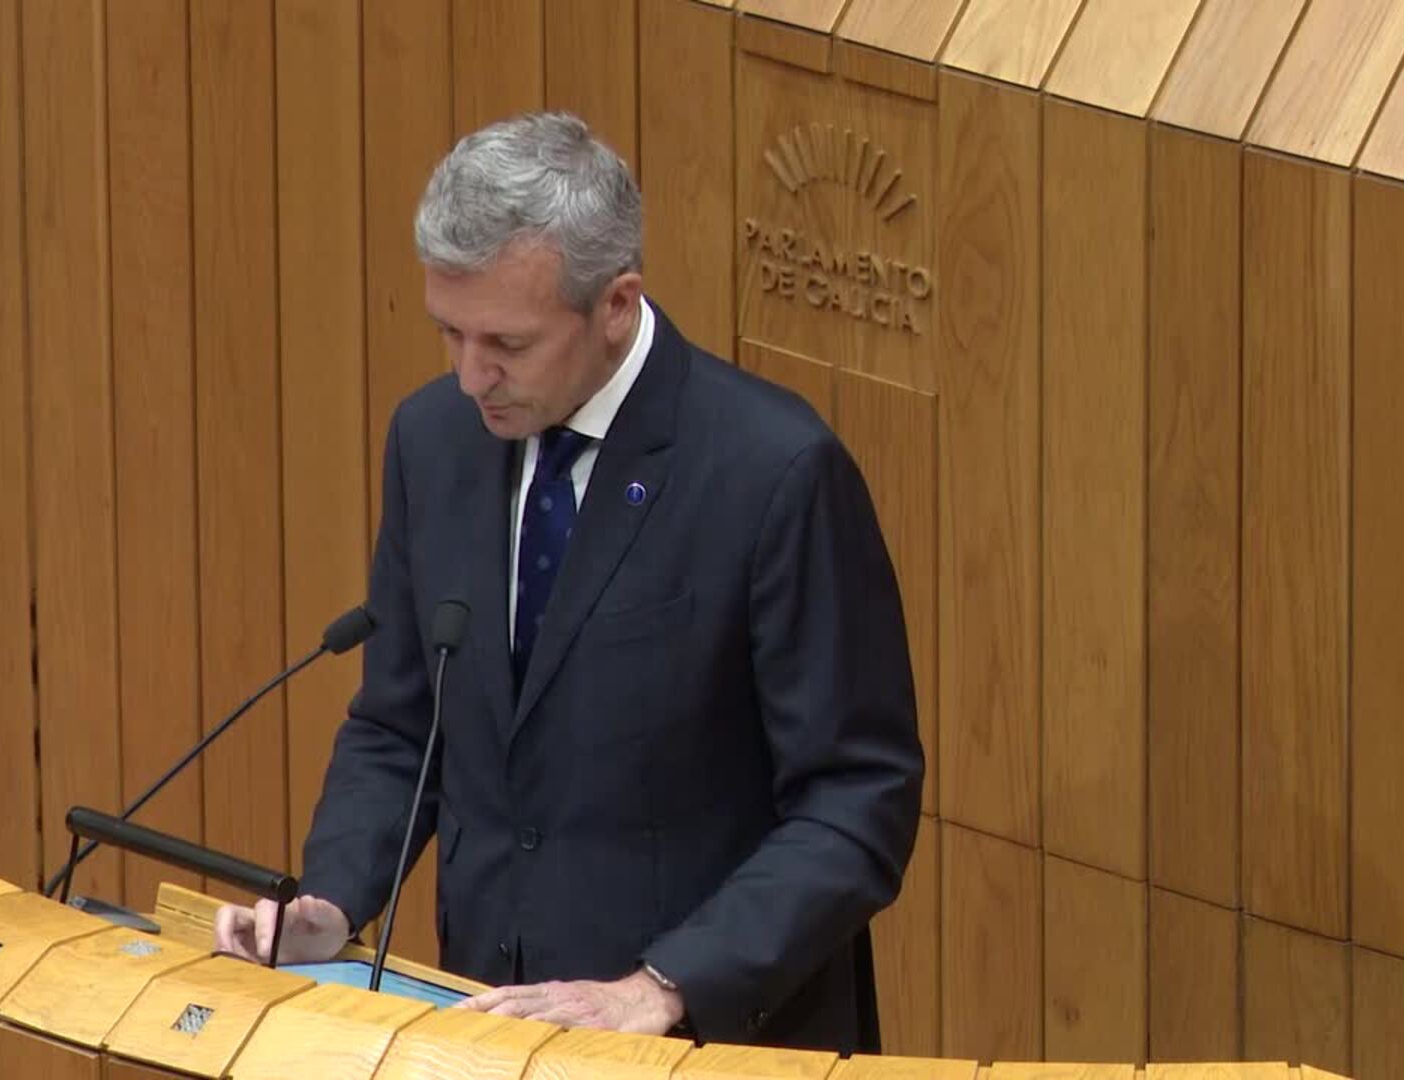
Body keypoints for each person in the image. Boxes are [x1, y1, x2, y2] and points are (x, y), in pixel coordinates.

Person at [215, 111, 923, 1053]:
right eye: (450, 333)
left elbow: (858, 800)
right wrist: (333, 901)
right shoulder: (434, 441)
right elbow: (403, 726)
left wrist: (663, 986)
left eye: (506, 344)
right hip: (488, 1029)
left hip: (704, 1047)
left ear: (616, 305)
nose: (471, 376)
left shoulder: (772, 472)